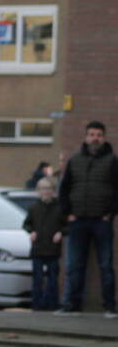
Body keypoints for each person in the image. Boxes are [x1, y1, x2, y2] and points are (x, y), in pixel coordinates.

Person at [56, 120, 118, 317]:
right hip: (78, 221)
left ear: (104, 137)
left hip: (102, 221)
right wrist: (68, 213)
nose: (95, 138)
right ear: (86, 137)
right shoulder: (75, 160)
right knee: (75, 265)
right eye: (91, 134)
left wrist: (111, 213)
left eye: (99, 135)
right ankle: (72, 306)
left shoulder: (112, 161)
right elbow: (64, 189)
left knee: (106, 265)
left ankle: (109, 306)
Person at [23, 177, 65, 311]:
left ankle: (52, 305)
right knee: (38, 279)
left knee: (52, 278)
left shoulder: (59, 208)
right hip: (38, 248)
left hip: (53, 249)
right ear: (38, 191)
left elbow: (67, 225)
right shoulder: (33, 208)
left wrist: (61, 233)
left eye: (49, 189)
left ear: (53, 191)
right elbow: (26, 224)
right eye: (43, 189)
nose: (46, 192)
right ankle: (37, 305)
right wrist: (31, 231)